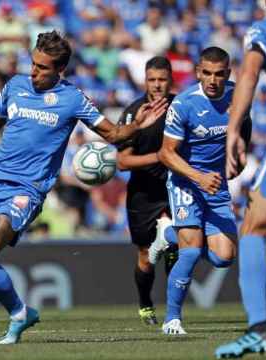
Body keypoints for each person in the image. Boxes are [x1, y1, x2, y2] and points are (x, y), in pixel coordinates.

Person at [0, 30, 167, 346]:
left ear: (59, 70)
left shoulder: (73, 98)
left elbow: (114, 135)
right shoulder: (15, 86)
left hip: (27, 190)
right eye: (33, 63)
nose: (33, 71)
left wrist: (137, 126)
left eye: (42, 67)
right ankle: (20, 313)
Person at [156, 47, 251, 336]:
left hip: (216, 184)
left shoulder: (238, 96)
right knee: (192, 251)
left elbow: (243, 125)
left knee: (224, 258)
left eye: (219, 74)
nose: (212, 80)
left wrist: (240, 151)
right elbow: (165, 154)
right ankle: (172, 320)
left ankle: (168, 233)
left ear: (228, 73)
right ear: (198, 72)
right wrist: (198, 177)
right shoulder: (184, 103)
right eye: (207, 73)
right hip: (186, 181)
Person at [216, 1, 266, 357]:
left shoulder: (264, 29)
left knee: (254, 229)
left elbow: (247, 74)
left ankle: (258, 328)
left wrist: (233, 131)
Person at [116, 56, 178, 325]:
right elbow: (122, 162)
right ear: (145, 80)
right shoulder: (133, 113)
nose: (156, 85)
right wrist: (159, 157)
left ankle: (175, 311)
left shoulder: (182, 107)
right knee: (145, 255)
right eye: (152, 80)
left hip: (175, 189)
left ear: (170, 80)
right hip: (143, 192)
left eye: (162, 80)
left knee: (179, 246)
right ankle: (145, 304)